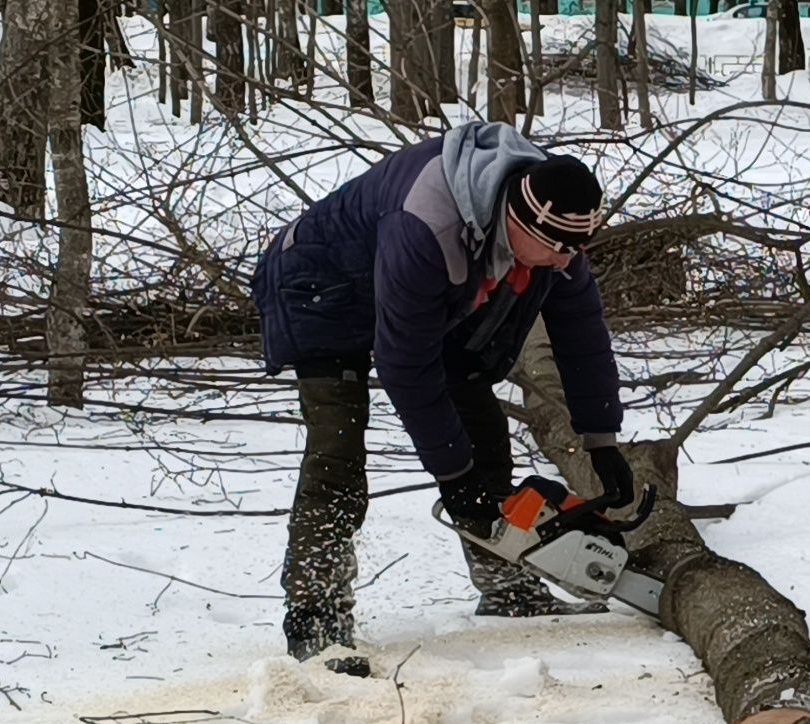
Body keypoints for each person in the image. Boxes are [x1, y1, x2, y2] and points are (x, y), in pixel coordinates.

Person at [250, 121, 635, 661]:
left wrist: (601, 438)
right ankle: (315, 612)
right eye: (557, 248)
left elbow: (582, 331)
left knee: (478, 418)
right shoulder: (426, 224)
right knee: (337, 449)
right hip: (322, 287)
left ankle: (507, 583)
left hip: (423, 289)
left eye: (577, 248)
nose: (566, 260)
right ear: (519, 222)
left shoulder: (551, 216)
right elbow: (405, 365)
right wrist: (453, 477)